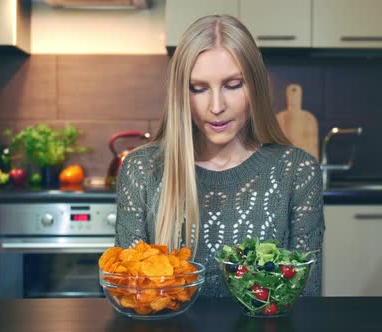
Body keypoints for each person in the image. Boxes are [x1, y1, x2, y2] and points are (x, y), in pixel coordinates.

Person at [115, 14, 325, 297]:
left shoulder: (297, 171)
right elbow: (129, 294)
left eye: (233, 85)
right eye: (198, 89)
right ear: (181, 94)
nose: (216, 106)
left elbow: (305, 296)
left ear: (256, 86)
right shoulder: (141, 170)